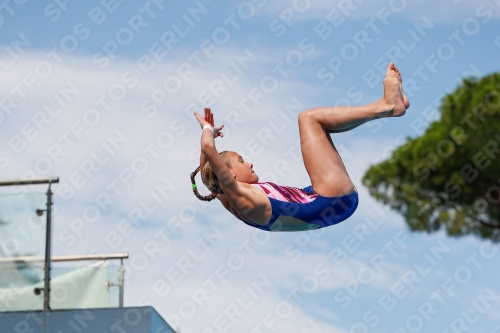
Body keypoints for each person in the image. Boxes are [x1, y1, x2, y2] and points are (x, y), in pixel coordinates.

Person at [190, 63, 409, 232]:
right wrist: (208, 130)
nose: (249, 163)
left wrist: (207, 133)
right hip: (332, 198)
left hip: (330, 203)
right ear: (229, 175)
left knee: (319, 127)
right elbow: (209, 147)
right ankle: (388, 105)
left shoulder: (230, 201)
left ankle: (390, 105)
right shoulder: (240, 197)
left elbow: (208, 177)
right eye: (241, 161)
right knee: (309, 119)